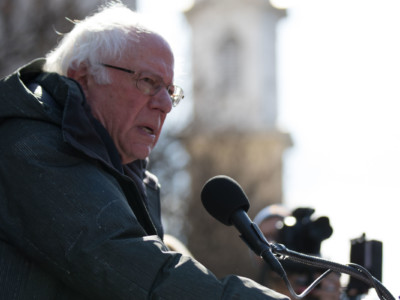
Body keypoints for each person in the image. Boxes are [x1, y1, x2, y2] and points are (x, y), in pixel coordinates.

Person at [0, 2, 290, 299]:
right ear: (83, 77)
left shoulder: (135, 178)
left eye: (170, 91)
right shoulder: (29, 145)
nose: (165, 105)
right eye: (148, 82)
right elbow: (148, 277)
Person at [253, 205, 341, 300]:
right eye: (264, 236)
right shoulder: (242, 290)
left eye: (281, 234)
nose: (272, 245)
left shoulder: (324, 278)